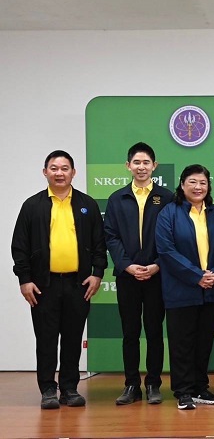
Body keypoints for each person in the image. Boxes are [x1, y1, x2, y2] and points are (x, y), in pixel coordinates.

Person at [12, 150, 107, 409]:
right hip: (43, 285)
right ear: (45, 172)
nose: (59, 173)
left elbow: (99, 244)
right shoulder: (32, 206)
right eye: (54, 168)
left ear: (73, 172)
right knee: (46, 338)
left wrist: (97, 273)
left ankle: (69, 388)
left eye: (65, 168)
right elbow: (19, 246)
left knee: (73, 338)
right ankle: (47, 389)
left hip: (79, 284)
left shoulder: (87, 205)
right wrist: (25, 279)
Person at [155, 164, 214, 410]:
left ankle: (200, 387)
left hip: (212, 290)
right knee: (182, 343)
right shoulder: (169, 212)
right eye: (192, 182)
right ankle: (183, 391)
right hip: (181, 289)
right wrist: (196, 275)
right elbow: (166, 251)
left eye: (203, 183)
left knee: (204, 343)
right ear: (182, 184)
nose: (198, 187)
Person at [104, 142, 173, 406]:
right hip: (127, 276)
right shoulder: (117, 198)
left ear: (154, 166)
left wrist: (157, 264)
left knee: (154, 331)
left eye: (146, 163)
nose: (141, 167)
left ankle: (153, 383)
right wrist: (127, 265)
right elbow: (110, 236)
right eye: (136, 162)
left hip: (158, 275)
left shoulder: (166, 197)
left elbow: (172, 237)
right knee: (130, 332)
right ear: (128, 166)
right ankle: (131, 384)